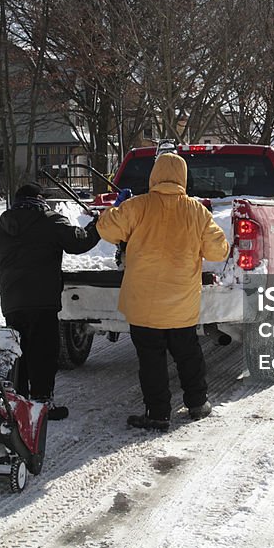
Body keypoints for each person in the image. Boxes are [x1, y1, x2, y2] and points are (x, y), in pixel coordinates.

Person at [96, 153, 230, 431]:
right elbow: (219, 250)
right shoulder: (197, 211)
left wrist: (114, 208)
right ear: (182, 177)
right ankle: (197, 404)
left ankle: (157, 414)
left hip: (144, 305)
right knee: (188, 355)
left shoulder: (137, 207)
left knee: (151, 361)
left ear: (154, 175)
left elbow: (106, 229)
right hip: (181, 304)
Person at [0, 182, 100, 420]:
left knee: (19, 351)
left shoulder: (1, 227)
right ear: (39, 198)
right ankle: (41, 404)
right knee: (43, 351)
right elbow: (79, 243)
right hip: (42, 300)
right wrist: (97, 225)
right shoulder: (50, 220)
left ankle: (18, 404)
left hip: (13, 300)